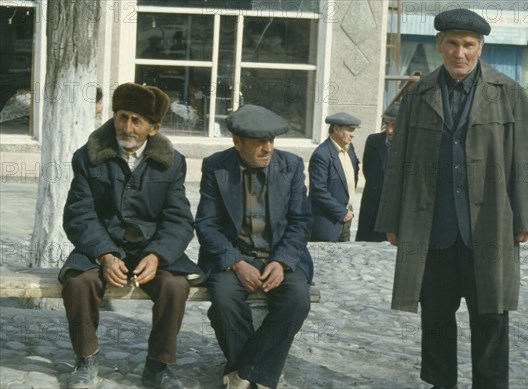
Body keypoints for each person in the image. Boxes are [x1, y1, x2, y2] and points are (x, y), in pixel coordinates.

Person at [375, 9, 528, 389]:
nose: (460, 53)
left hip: (490, 227)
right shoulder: (417, 94)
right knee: (435, 315)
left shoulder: (508, 93)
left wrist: (527, 218)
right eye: (452, 43)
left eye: (468, 45)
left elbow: (525, 159)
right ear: (439, 44)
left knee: (491, 315)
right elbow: (397, 160)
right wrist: (391, 219)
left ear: (480, 46)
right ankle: (440, 382)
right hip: (432, 230)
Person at [59, 82, 203, 389]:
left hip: (150, 248)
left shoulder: (172, 162)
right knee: (78, 282)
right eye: (122, 117)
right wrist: (105, 254)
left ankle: (158, 366)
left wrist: (158, 255)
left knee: (175, 286)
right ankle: (86, 358)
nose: (127, 126)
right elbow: (79, 214)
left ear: (153, 128)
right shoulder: (87, 156)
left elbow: (178, 219)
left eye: (137, 120)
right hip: (100, 246)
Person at [194, 104, 313, 389]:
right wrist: (236, 262)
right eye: (259, 142)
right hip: (235, 257)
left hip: (279, 255)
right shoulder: (216, 166)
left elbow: (301, 221)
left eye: (272, 141)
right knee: (223, 301)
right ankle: (255, 371)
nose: (268, 148)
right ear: (236, 142)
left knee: (297, 299)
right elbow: (206, 224)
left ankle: (244, 372)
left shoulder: (291, 165)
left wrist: (283, 261)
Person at [308, 112, 360, 242]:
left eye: (354, 130)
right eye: (350, 130)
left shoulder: (349, 148)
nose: (353, 134)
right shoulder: (322, 155)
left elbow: (354, 174)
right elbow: (318, 191)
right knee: (326, 261)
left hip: (347, 218)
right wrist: (342, 212)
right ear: (336, 129)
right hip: (327, 222)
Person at [355, 102, 398, 242]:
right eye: (387, 124)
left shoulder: (411, 144)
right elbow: (367, 170)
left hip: (395, 210)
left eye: (394, 125)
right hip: (373, 206)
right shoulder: (373, 141)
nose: (389, 130)